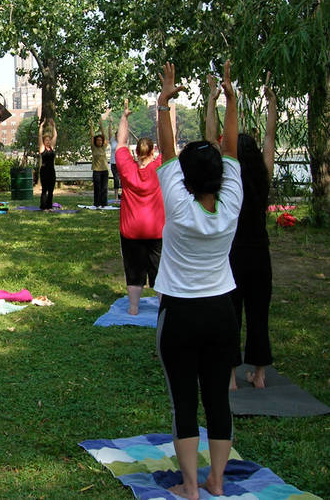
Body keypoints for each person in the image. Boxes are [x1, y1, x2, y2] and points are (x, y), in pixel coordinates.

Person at [154, 61, 242, 499]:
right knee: (218, 399)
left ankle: (190, 487)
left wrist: (163, 104)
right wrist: (229, 98)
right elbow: (231, 149)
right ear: (221, 176)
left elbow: (168, 151)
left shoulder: (177, 203)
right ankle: (217, 482)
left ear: (186, 178)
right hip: (222, 313)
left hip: (181, 314)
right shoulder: (231, 203)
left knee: (184, 403)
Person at [206, 73, 277, 390]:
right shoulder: (263, 179)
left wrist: (212, 99)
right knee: (259, 313)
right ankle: (260, 375)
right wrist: (272, 106)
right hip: (260, 254)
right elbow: (271, 141)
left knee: (230, 313)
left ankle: (231, 377)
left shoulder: (228, 182)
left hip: (232, 255)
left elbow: (212, 140)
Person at [115, 99, 164, 315]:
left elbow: (121, 141)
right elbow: (167, 142)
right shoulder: (159, 167)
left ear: (136, 153)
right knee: (159, 269)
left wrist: (124, 117)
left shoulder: (126, 168)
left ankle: (133, 308)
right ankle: (163, 308)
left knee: (133, 269)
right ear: (152, 152)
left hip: (131, 230)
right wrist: (163, 110)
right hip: (156, 229)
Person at [90, 109, 111, 207]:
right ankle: (97, 203)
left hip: (104, 170)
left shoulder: (103, 147)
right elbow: (92, 136)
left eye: (100, 140)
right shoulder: (94, 148)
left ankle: (104, 203)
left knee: (104, 188)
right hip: (96, 170)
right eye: (97, 140)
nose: (99, 141)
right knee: (97, 187)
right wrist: (91, 126)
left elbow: (104, 136)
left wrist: (101, 124)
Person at [38, 117, 58, 210]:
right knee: (44, 189)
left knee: (51, 190)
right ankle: (43, 206)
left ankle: (49, 206)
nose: (48, 141)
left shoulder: (52, 148)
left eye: (49, 140)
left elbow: (55, 136)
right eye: (46, 140)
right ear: (44, 141)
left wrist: (53, 126)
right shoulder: (42, 148)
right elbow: (39, 137)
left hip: (51, 170)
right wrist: (41, 127)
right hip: (44, 170)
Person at [108, 119, 120, 200]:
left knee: (123, 180)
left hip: (122, 163)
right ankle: (116, 196)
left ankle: (124, 195)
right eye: (116, 135)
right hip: (113, 163)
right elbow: (109, 133)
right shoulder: (113, 141)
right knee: (116, 179)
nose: (117, 137)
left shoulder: (124, 142)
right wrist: (110, 123)